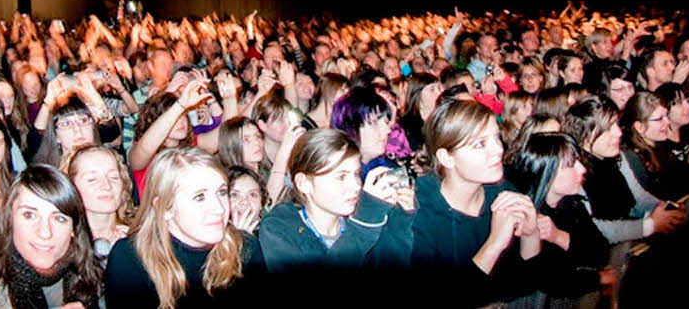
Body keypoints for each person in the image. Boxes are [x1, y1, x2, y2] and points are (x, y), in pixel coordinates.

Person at [411, 100, 542, 307]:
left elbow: (524, 283)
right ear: (447, 158)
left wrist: (531, 233)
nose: (498, 150)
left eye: (496, 137)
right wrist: (495, 243)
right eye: (480, 144)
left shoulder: (502, 191)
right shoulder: (416, 213)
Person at [104, 147, 266, 309]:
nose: (219, 209)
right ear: (165, 208)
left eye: (222, 192)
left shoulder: (244, 248)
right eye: (200, 197)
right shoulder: (130, 258)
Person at [259, 129, 413, 294]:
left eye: (356, 174)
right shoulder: (279, 227)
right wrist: (365, 221)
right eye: (341, 177)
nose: (356, 186)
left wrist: (399, 221)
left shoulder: (358, 222)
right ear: (304, 183)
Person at [0, 164, 104, 309]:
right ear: (10, 220)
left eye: (59, 219)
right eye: (29, 215)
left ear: (73, 229)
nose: (45, 233)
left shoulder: (91, 264)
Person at [506, 133, 613, 305]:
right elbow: (552, 282)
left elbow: (601, 252)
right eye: (571, 164)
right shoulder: (524, 216)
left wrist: (559, 237)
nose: (582, 168)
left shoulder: (570, 203)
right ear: (548, 173)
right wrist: (598, 278)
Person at [561, 96, 683, 244]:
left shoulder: (617, 157)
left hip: (631, 237)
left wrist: (664, 210)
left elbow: (638, 198)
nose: (618, 133)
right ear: (585, 135)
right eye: (608, 128)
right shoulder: (573, 171)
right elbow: (594, 229)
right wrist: (649, 225)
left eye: (617, 125)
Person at [67, 145, 134, 253]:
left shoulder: (140, 239)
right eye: (92, 179)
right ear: (71, 186)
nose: (106, 186)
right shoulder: (62, 242)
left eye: (114, 177)